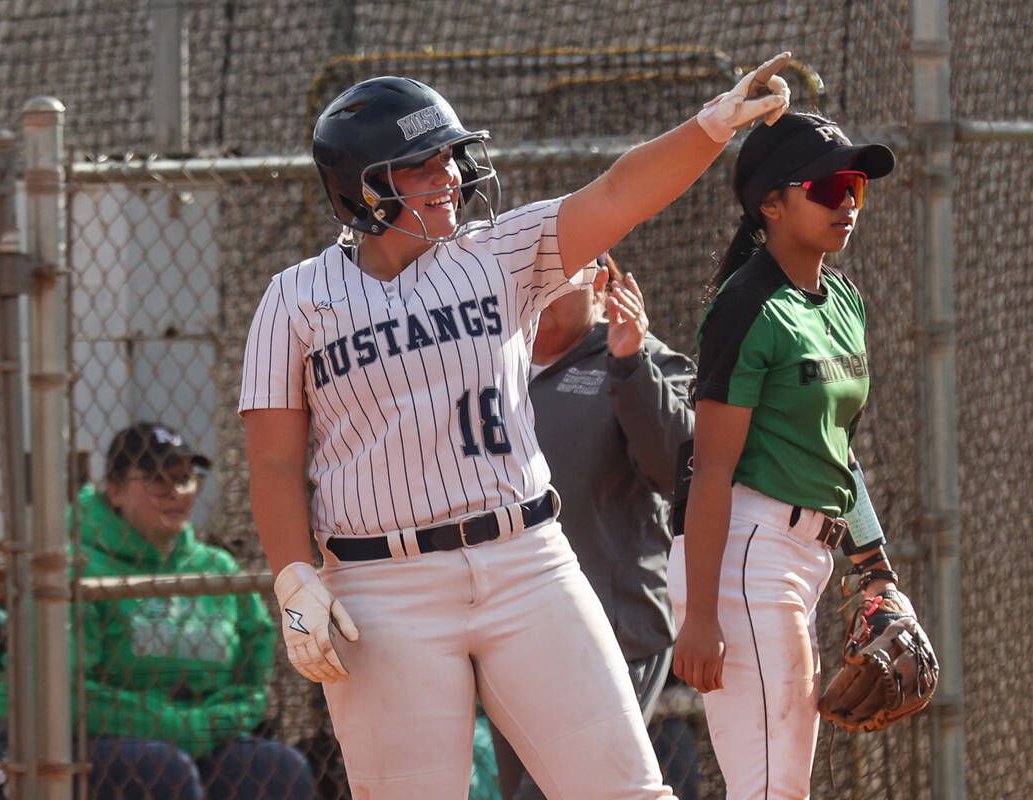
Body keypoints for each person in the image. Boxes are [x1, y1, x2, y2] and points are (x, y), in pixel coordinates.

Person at [239, 55, 791, 800]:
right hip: (380, 585)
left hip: (526, 562)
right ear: (364, 189)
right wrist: (293, 576)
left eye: (450, 159)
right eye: (422, 166)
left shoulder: (498, 252)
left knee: (628, 792)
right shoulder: (295, 299)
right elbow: (273, 460)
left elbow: (620, 191)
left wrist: (710, 126)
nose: (450, 178)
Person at [667, 110, 903, 800]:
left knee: (780, 782)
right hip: (745, 554)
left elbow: (837, 452)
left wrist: (876, 571)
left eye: (856, 186)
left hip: (803, 558)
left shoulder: (843, 301)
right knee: (772, 786)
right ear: (770, 203)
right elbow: (710, 469)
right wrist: (702, 615)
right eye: (829, 188)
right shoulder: (746, 307)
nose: (848, 203)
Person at [0, 422, 317, 800]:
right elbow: (60, 693)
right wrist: (176, 725)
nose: (177, 493)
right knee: (160, 770)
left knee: (278, 769)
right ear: (115, 491)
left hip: (184, 736)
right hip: (43, 736)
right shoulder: (75, 567)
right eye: (157, 480)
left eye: (185, 478)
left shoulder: (217, 567)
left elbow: (254, 675)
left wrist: (217, 721)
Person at [488, 251, 696, 800]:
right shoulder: (488, 366)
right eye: (529, 273)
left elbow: (681, 469)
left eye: (557, 271)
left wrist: (629, 364)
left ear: (600, 281)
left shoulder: (642, 360)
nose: (539, 286)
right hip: (511, 642)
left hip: (612, 637)